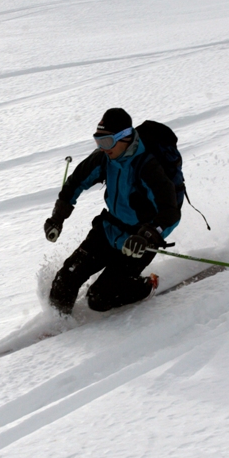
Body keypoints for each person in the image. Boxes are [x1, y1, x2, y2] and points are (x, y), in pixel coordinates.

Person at [44, 108, 181, 315]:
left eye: (106, 142)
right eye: (98, 142)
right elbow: (74, 184)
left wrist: (148, 235)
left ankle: (147, 286)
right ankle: (57, 327)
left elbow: (170, 211)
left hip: (138, 241)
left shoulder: (147, 167)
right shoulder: (104, 159)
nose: (102, 148)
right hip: (109, 229)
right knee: (65, 281)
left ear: (125, 137)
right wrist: (57, 218)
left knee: (99, 298)